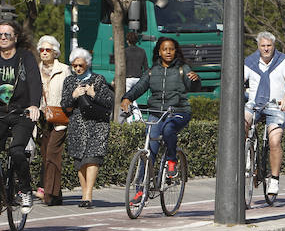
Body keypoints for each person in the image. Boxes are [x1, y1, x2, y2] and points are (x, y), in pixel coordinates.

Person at [120, 37, 201, 204]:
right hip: (156, 113)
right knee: (148, 152)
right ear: (159, 51)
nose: (168, 52)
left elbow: (193, 87)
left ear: (175, 51)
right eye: (165, 49)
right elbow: (139, 87)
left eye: (171, 49)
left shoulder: (182, 69)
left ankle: (172, 160)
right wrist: (127, 98)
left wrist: (195, 80)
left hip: (178, 111)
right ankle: (140, 191)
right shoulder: (151, 71)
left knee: (169, 130)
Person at [244, 31, 285, 195]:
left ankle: (274, 179)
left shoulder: (284, 61)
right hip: (255, 104)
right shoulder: (250, 61)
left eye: (269, 46)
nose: (266, 49)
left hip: (276, 106)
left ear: (274, 46)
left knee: (274, 141)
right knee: (242, 122)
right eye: (263, 46)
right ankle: (248, 155)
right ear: (258, 46)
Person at [61, 48, 114, 208]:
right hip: (77, 125)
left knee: (92, 159)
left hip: (97, 125)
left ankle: (88, 195)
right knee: (80, 162)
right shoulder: (69, 81)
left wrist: (93, 94)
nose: (77, 68)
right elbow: (64, 105)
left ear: (87, 64)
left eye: (80, 65)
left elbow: (109, 103)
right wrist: (73, 96)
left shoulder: (98, 79)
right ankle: (85, 194)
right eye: (74, 65)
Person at [0, 20, 41, 214]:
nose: (3, 37)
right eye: (0, 34)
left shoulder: (25, 58)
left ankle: (25, 190)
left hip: (21, 113)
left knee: (16, 151)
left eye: (7, 34)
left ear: (15, 37)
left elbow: (34, 81)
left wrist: (34, 105)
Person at [36, 35, 70, 206]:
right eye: (41, 49)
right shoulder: (35, 69)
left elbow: (70, 93)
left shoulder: (64, 70)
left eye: (48, 50)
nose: (44, 52)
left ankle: (49, 194)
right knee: (46, 156)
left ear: (55, 52)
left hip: (59, 118)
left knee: (52, 154)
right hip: (42, 119)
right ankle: (57, 194)